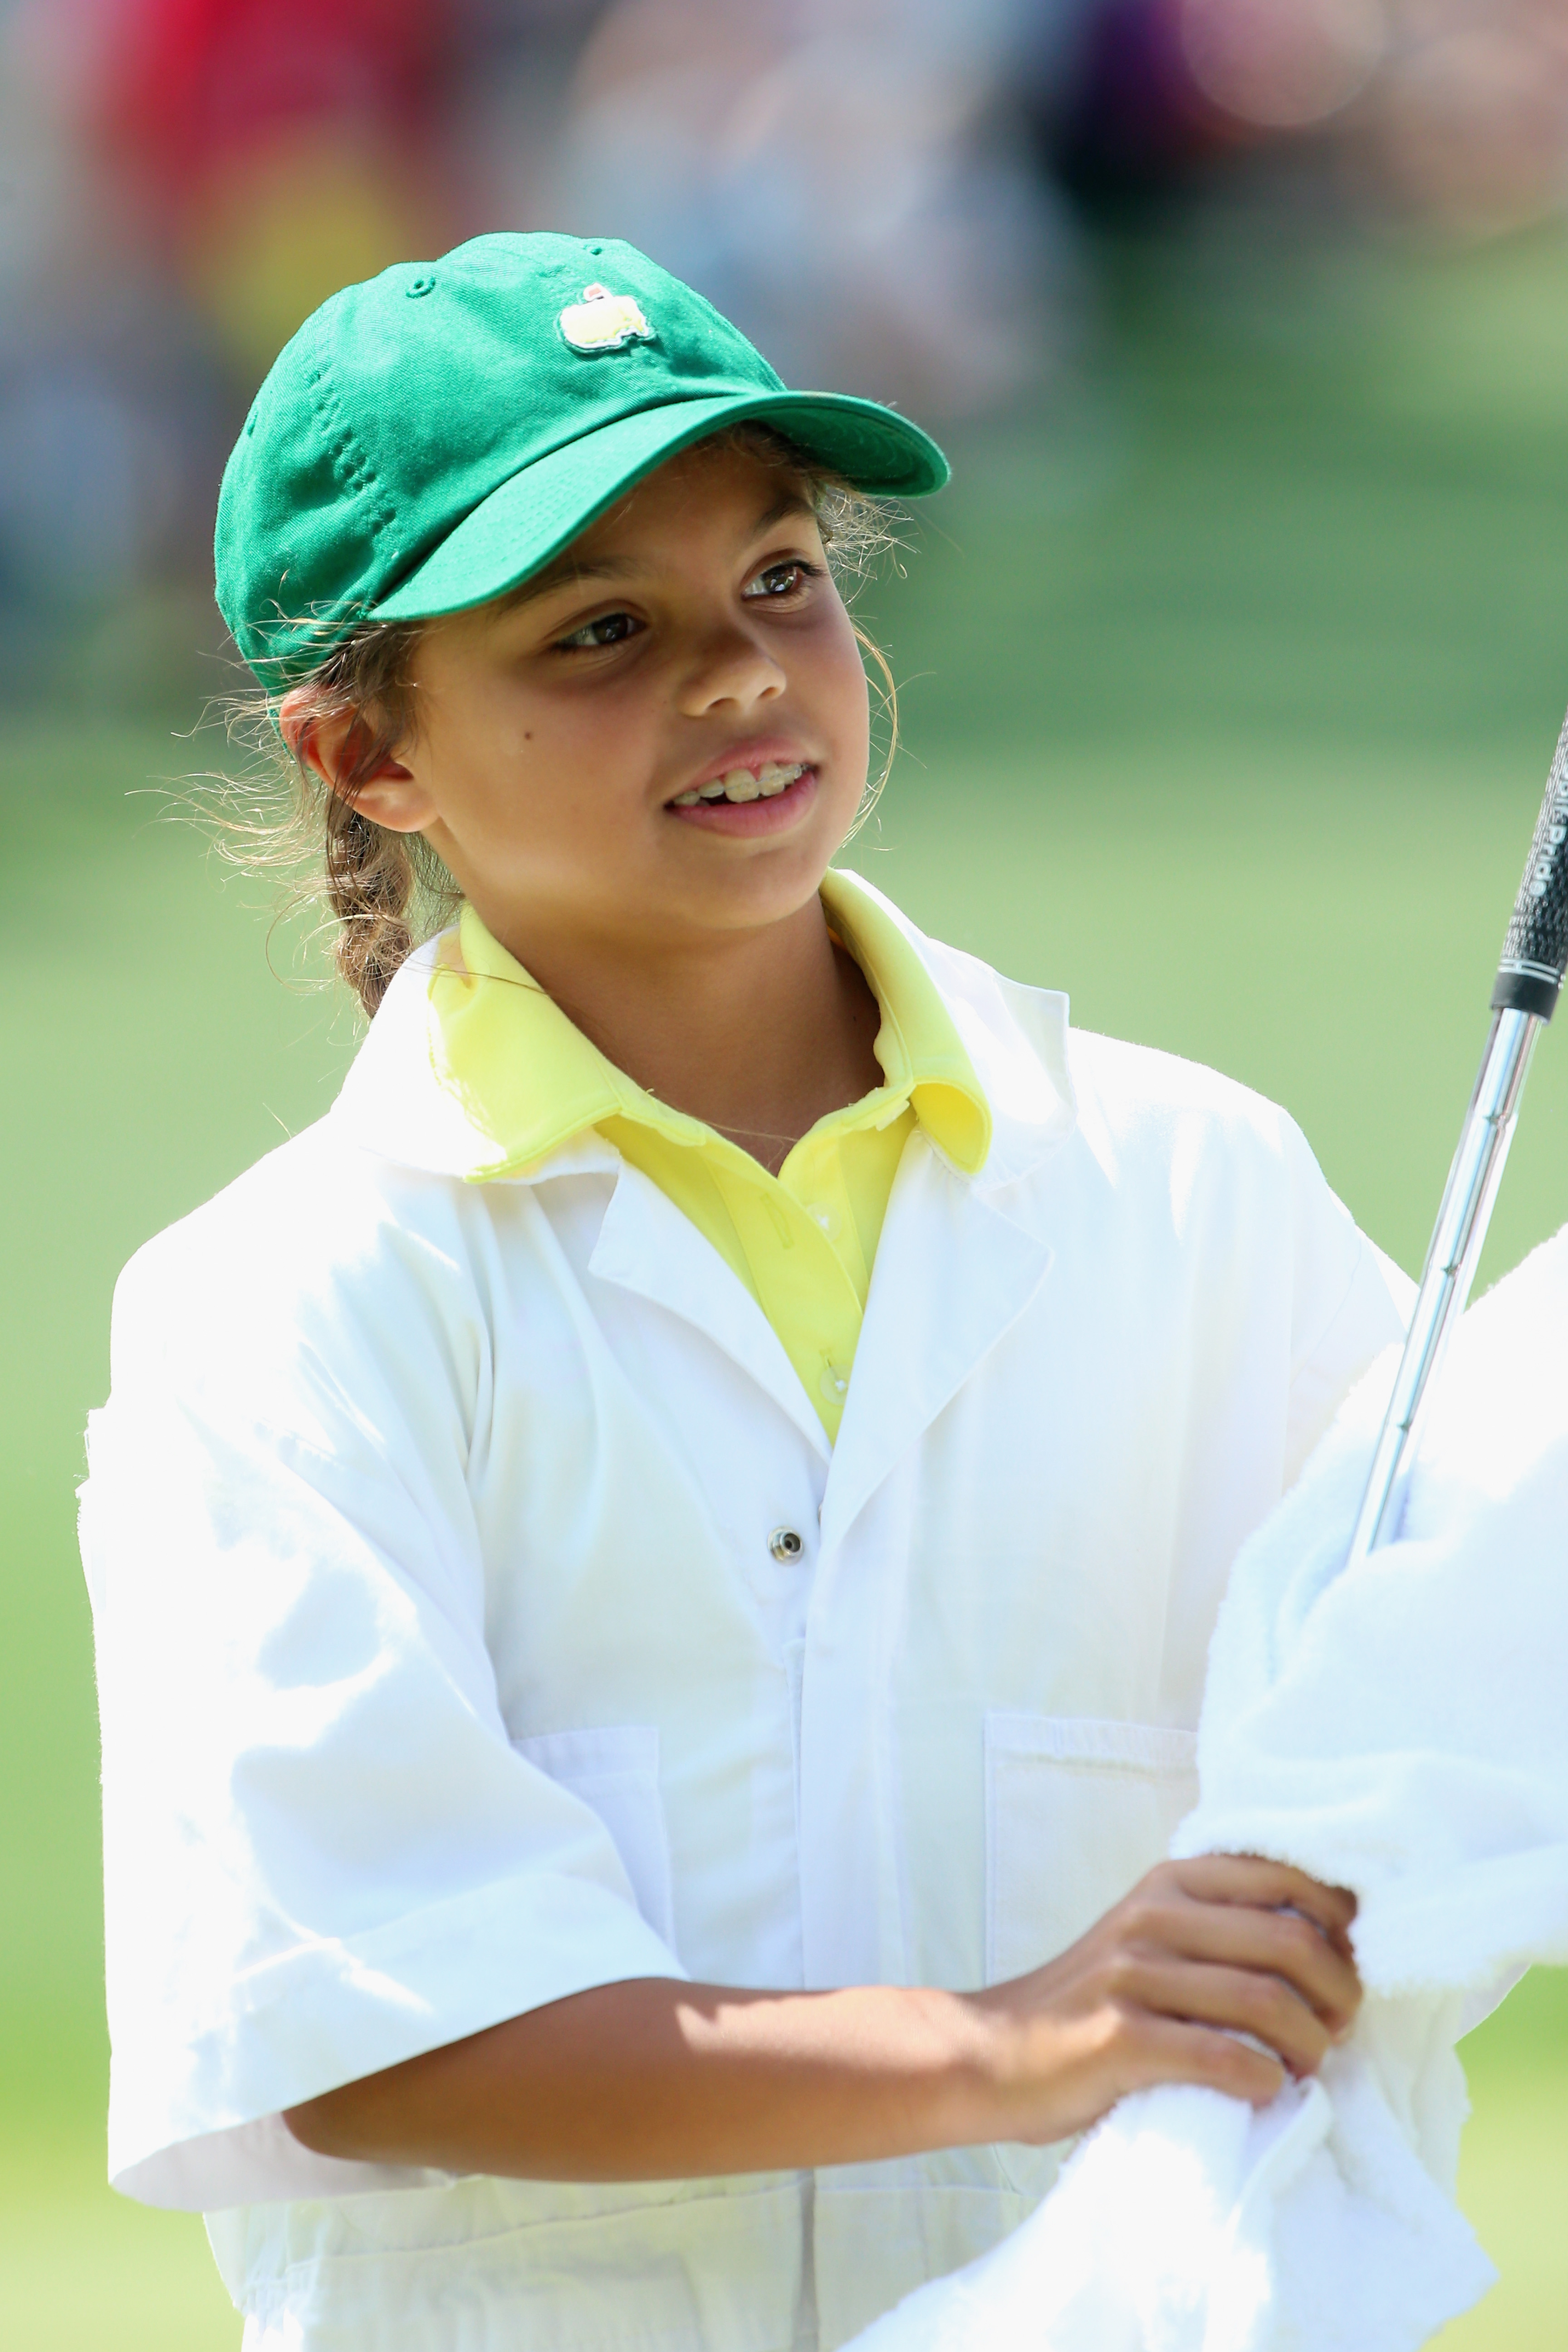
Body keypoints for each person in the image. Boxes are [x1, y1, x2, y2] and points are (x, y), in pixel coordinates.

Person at [81, 233, 1407, 2351]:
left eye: (781, 577)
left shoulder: (1189, 1182)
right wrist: (1010, 2043)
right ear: (370, 760)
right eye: (600, 630)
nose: (738, 674)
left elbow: (1447, 1695)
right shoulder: (291, 1304)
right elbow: (361, 2020)